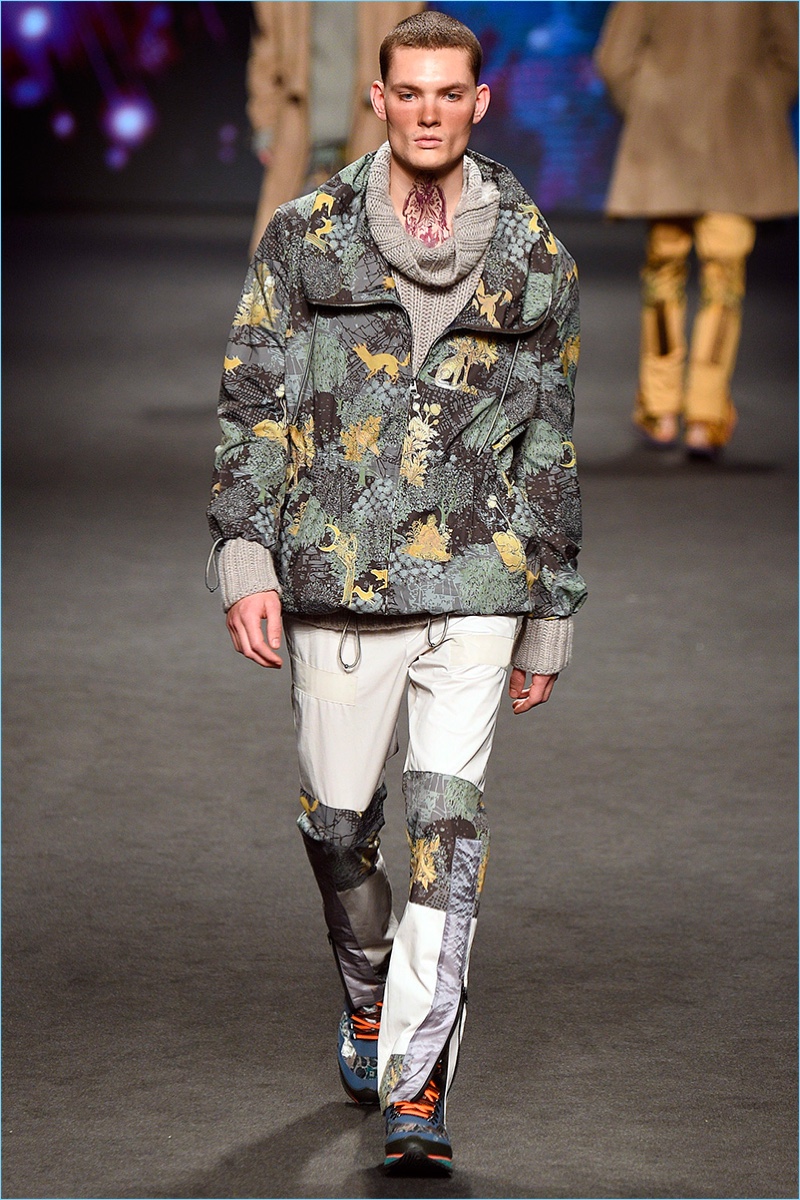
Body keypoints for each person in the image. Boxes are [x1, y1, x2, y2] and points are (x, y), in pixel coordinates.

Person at [207, 10, 586, 1174]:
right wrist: (244, 558)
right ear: (378, 99)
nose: (427, 110)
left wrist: (548, 611)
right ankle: (367, 991)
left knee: (447, 836)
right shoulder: (304, 236)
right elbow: (254, 399)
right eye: (407, 91)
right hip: (337, 577)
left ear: (479, 101)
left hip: (477, 578)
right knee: (337, 827)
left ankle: (415, 1086)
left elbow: (549, 444)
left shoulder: (533, 256)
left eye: (447, 92)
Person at [594, 1, 798, 457]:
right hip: (739, 135)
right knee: (724, 279)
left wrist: (648, 101)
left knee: (664, 272)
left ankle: (661, 409)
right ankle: (706, 415)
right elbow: (791, 54)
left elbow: (614, 58)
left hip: (665, 134)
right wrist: (758, 100)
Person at [246, 1, 423, 255]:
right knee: (280, 258)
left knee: (374, 253)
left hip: (372, 131)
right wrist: (265, 126)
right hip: (299, 138)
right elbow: (266, 55)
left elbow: (415, 54)